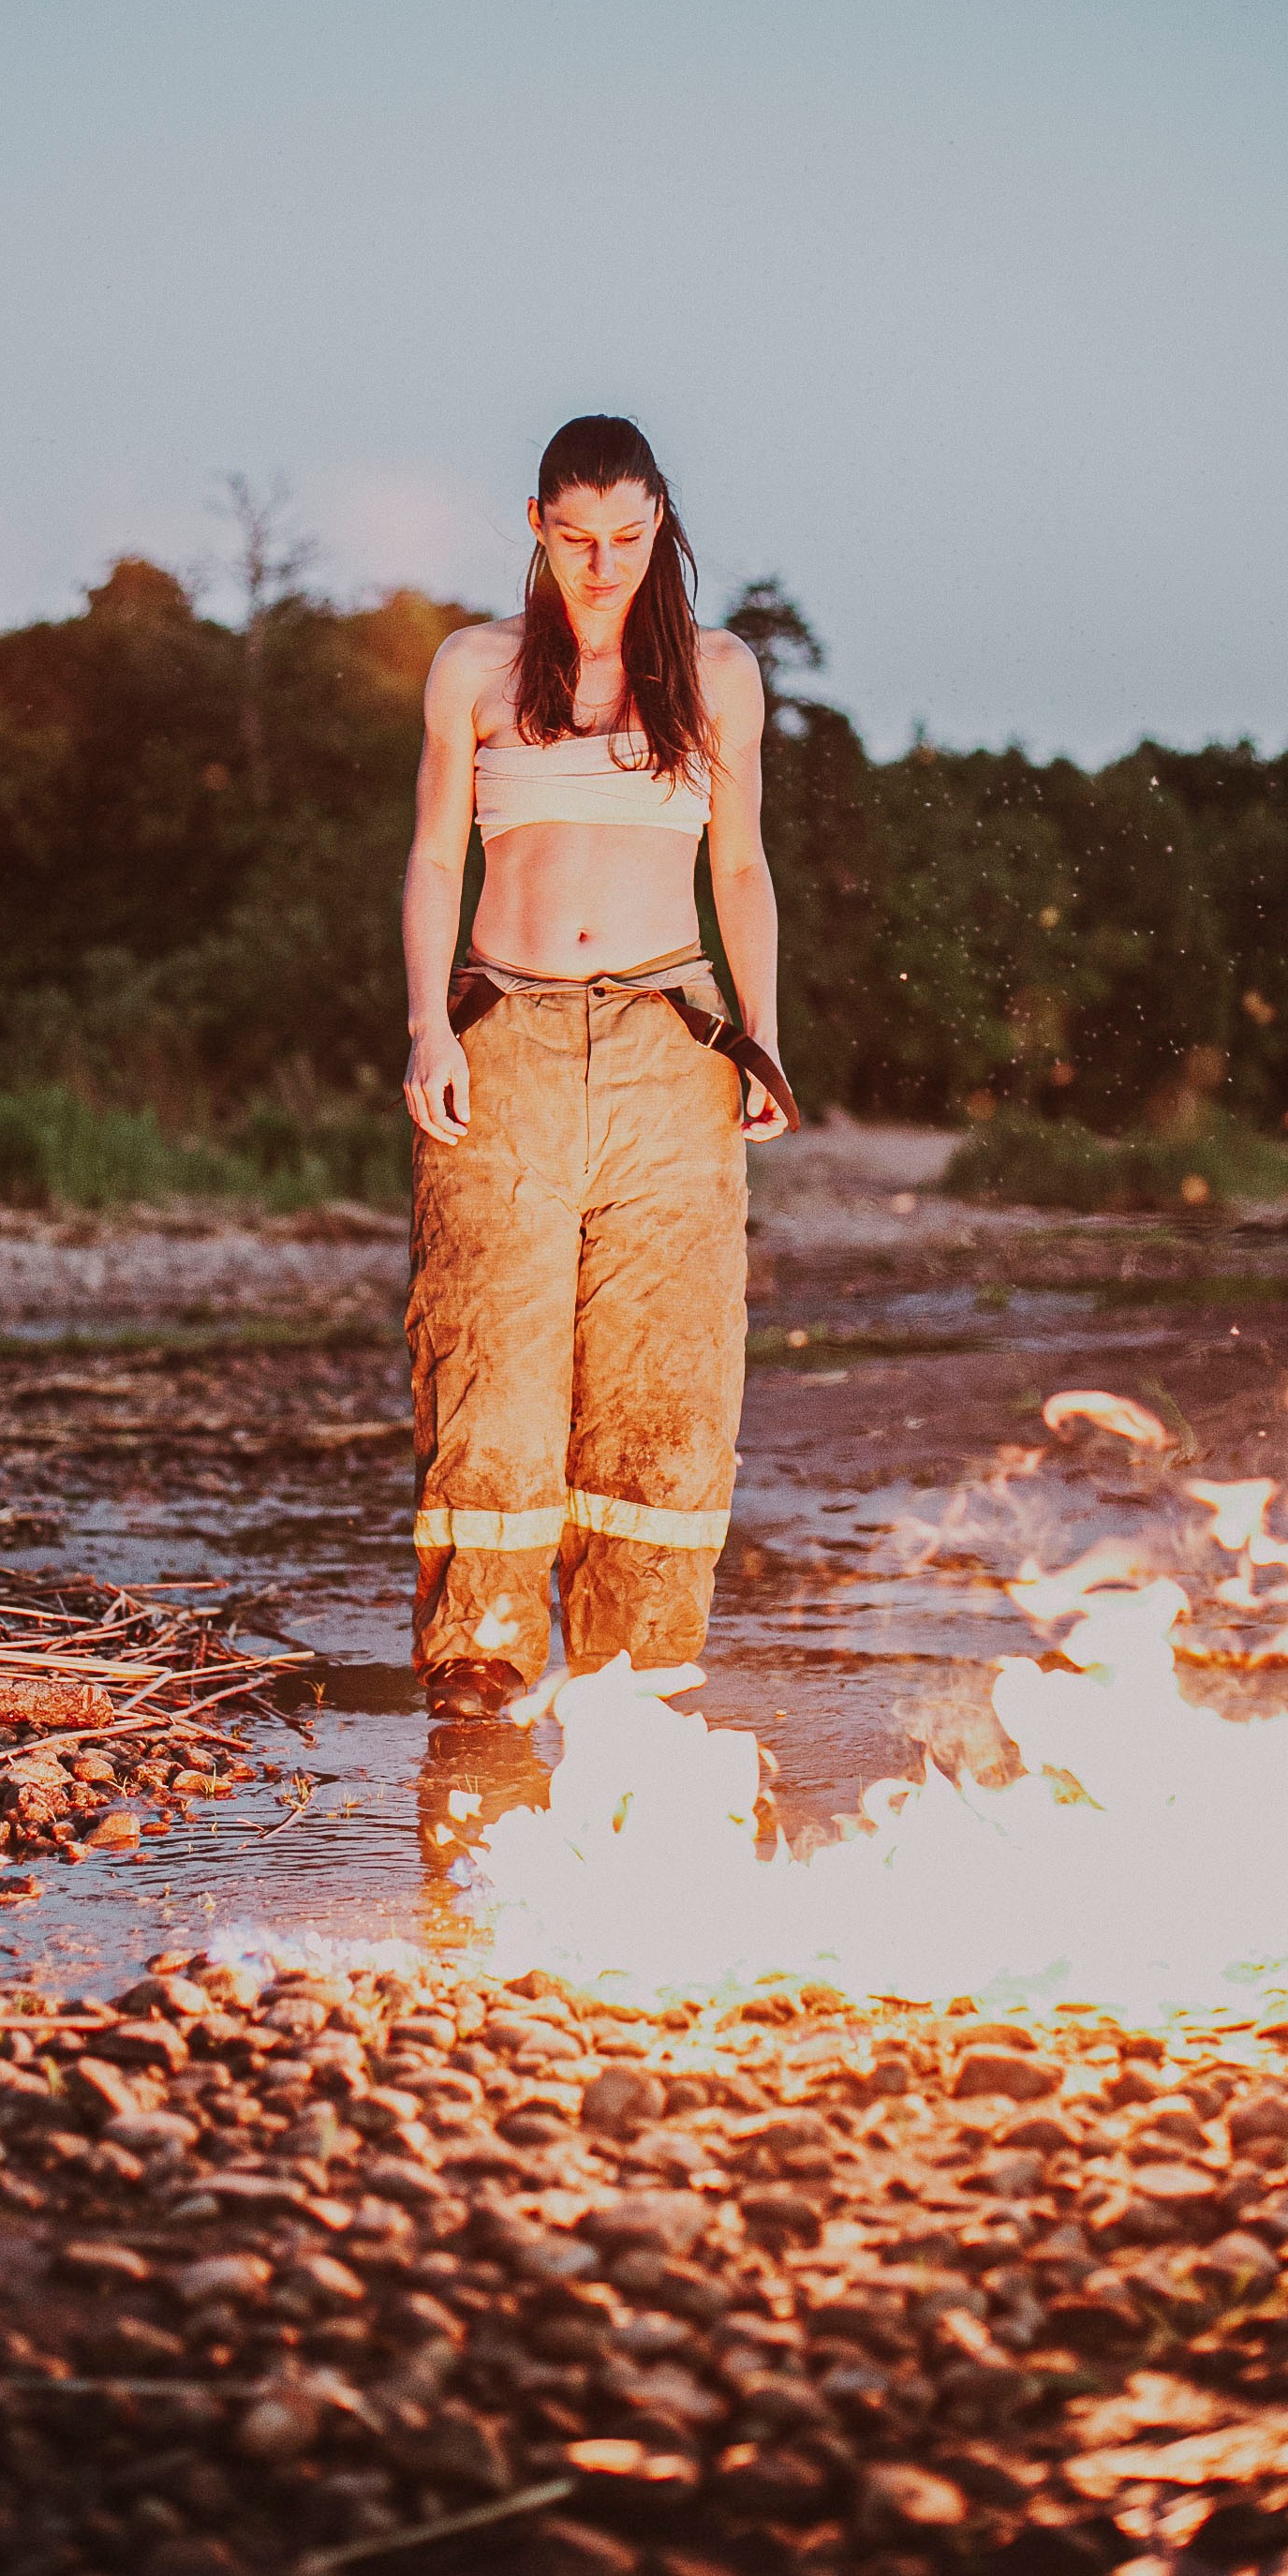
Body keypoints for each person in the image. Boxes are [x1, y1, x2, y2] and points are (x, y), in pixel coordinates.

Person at [401, 414, 793, 1717]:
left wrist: (765, 1037)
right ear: (536, 528)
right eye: (576, 539)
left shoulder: (720, 673)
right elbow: (433, 859)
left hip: (668, 1038)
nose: (602, 564)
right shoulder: (474, 666)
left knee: (662, 1364)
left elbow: (740, 865)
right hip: (504, 1033)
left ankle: (637, 1671)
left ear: (662, 521)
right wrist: (426, 1025)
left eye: (627, 537)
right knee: (489, 1347)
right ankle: (482, 1663)